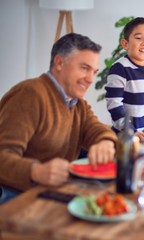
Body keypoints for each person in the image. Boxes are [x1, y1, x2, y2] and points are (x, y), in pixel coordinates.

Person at [0, 33, 117, 204]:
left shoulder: (78, 105)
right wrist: (36, 171)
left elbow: (97, 130)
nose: (91, 79)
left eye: (94, 71)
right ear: (59, 63)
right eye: (84, 68)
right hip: (16, 197)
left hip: (50, 193)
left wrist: (105, 142)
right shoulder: (29, 94)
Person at [105, 17, 144, 142]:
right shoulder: (120, 68)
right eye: (138, 38)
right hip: (125, 137)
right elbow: (114, 105)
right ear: (125, 44)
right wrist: (131, 131)